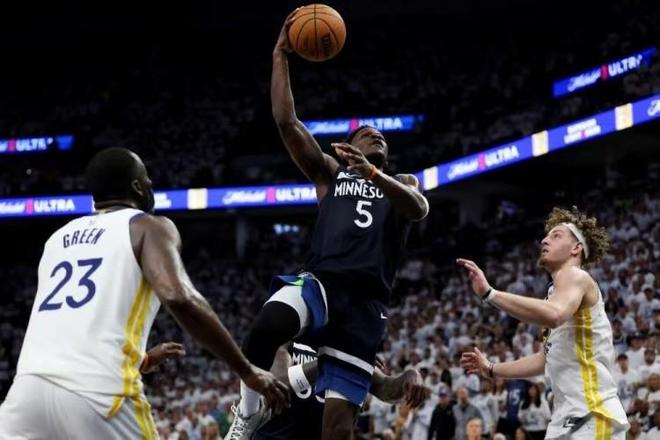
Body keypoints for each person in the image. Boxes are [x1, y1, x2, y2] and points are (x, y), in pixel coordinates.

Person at [228, 10, 429, 440]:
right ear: (347, 148)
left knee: (337, 431)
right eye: (366, 133)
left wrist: (373, 174)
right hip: (322, 282)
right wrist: (280, 56)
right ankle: (248, 414)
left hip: (365, 306)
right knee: (266, 328)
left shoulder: (402, 183)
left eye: (381, 136)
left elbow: (418, 210)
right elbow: (287, 122)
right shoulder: (329, 175)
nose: (376, 135)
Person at [0, 147, 289, 439]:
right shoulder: (147, 226)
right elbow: (178, 297)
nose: (151, 184)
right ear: (137, 186)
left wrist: (143, 360)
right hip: (98, 394)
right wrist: (246, 370)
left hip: (27, 394)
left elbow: (70, 326)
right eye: (147, 177)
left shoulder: (56, 240)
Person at [459, 206, 629, 439]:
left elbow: (555, 314)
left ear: (576, 248)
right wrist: (491, 369)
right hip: (568, 419)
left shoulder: (575, 275)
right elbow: (544, 359)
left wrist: (491, 294)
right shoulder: (554, 295)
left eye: (556, 235)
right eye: (547, 236)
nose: (544, 240)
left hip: (592, 413)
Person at [255, 344, 429, 440]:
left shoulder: (348, 349)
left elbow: (386, 389)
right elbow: (280, 382)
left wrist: (410, 375)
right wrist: (333, 361)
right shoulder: (288, 340)